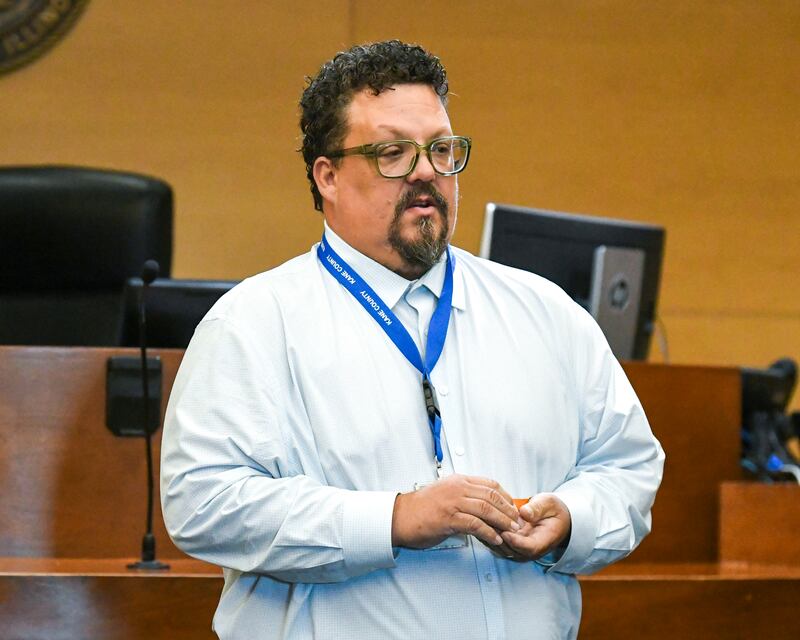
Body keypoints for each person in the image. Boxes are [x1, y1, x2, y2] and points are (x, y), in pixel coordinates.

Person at [160, 40, 664, 640]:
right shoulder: (255, 322)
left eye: (442, 150)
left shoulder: (545, 313)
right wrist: (392, 519)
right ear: (328, 177)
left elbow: (627, 467)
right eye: (393, 152)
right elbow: (204, 504)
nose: (427, 171)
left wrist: (573, 520)